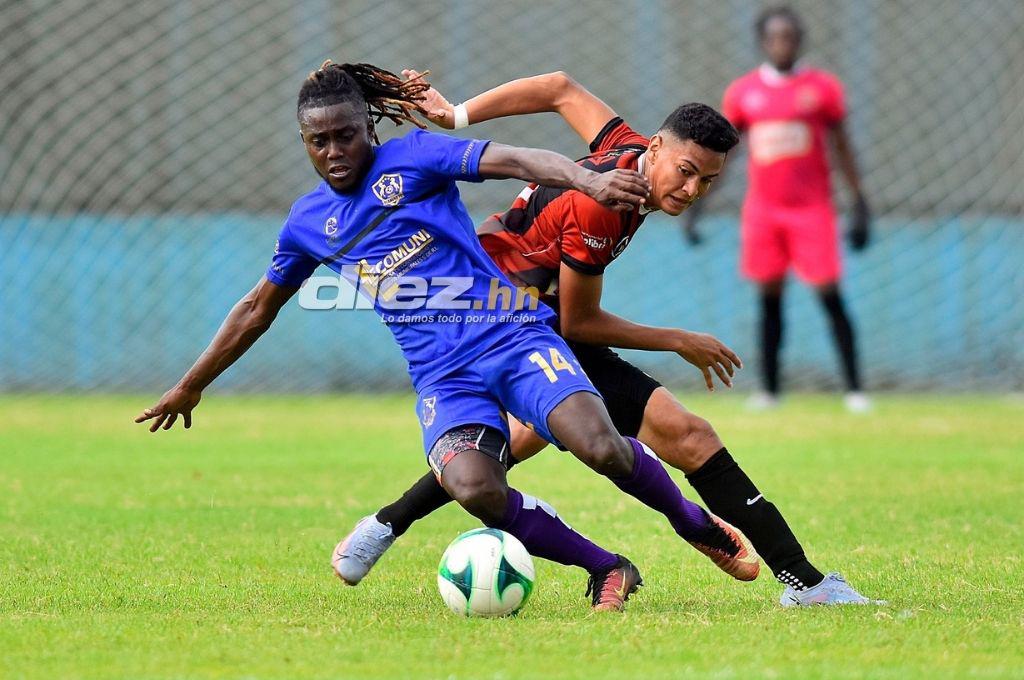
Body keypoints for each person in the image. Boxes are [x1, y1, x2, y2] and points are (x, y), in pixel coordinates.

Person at [134, 61, 750, 613]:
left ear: (369, 131)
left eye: (345, 134)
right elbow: (254, 310)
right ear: (304, 144)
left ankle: (695, 523)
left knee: (602, 449)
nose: (334, 150)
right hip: (442, 377)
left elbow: (519, 159)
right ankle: (607, 566)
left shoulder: (416, 157)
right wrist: (190, 387)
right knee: (475, 488)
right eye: (318, 141)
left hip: (513, 337)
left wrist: (587, 182)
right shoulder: (306, 224)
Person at [335, 69, 882, 607]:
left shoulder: (627, 148)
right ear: (659, 146)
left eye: (708, 181)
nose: (691, 190)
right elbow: (579, 324)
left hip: (514, 313)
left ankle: (383, 525)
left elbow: (558, 88)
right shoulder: (604, 204)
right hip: (515, 322)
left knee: (507, 448)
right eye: (686, 172)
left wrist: (456, 113)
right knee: (687, 438)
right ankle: (805, 582)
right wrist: (678, 340)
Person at [685, 6, 872, 413]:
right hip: (764, 213)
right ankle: (770, 390)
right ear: (763, 41)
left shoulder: (822, 89)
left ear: (799, 40)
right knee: (769, 298)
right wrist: (700, 200)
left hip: (813, 210)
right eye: (775, 36)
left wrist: (859, 202)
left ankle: (856, 390)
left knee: (829, 295)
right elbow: (725, 155)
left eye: (789, 36)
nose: (782, 43)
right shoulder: (744, 92)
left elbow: (842, 148)